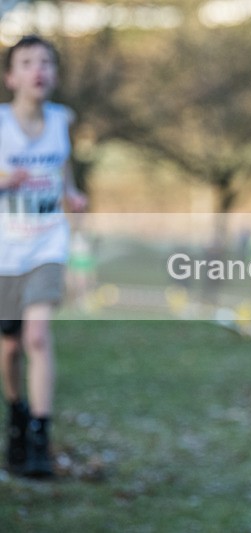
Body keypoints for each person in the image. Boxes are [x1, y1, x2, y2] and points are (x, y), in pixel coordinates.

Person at [0, 35, 87, 477]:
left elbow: (62, 167)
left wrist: (71, 193)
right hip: (4, 252)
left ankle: (39, 437)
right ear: (10, 76)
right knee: (10, 348)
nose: (39, 69)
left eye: (47, 62)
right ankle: (16, 415)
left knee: (35, 337)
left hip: (47, 245)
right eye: (28, 62)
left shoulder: (60, 119)